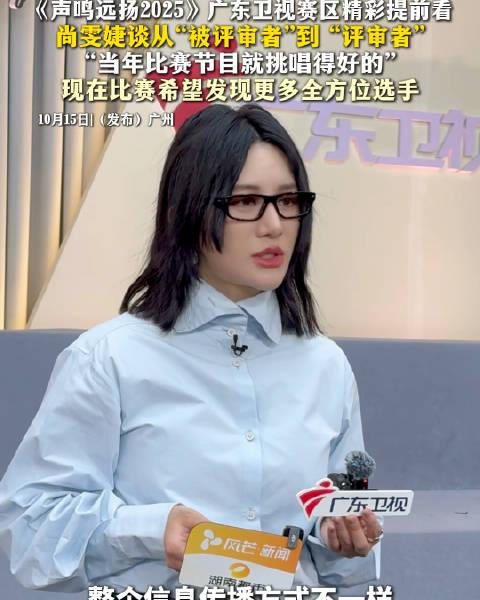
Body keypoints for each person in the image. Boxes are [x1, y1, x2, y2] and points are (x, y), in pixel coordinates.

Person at [0, 103, 382, 593]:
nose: (274, 225)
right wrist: (150, 529)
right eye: (246, 201)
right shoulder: (110, 358)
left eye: (288, 200)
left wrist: (340, 536)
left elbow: (339, 541)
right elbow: (32, 520)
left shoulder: (325, 364)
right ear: (190, 209)